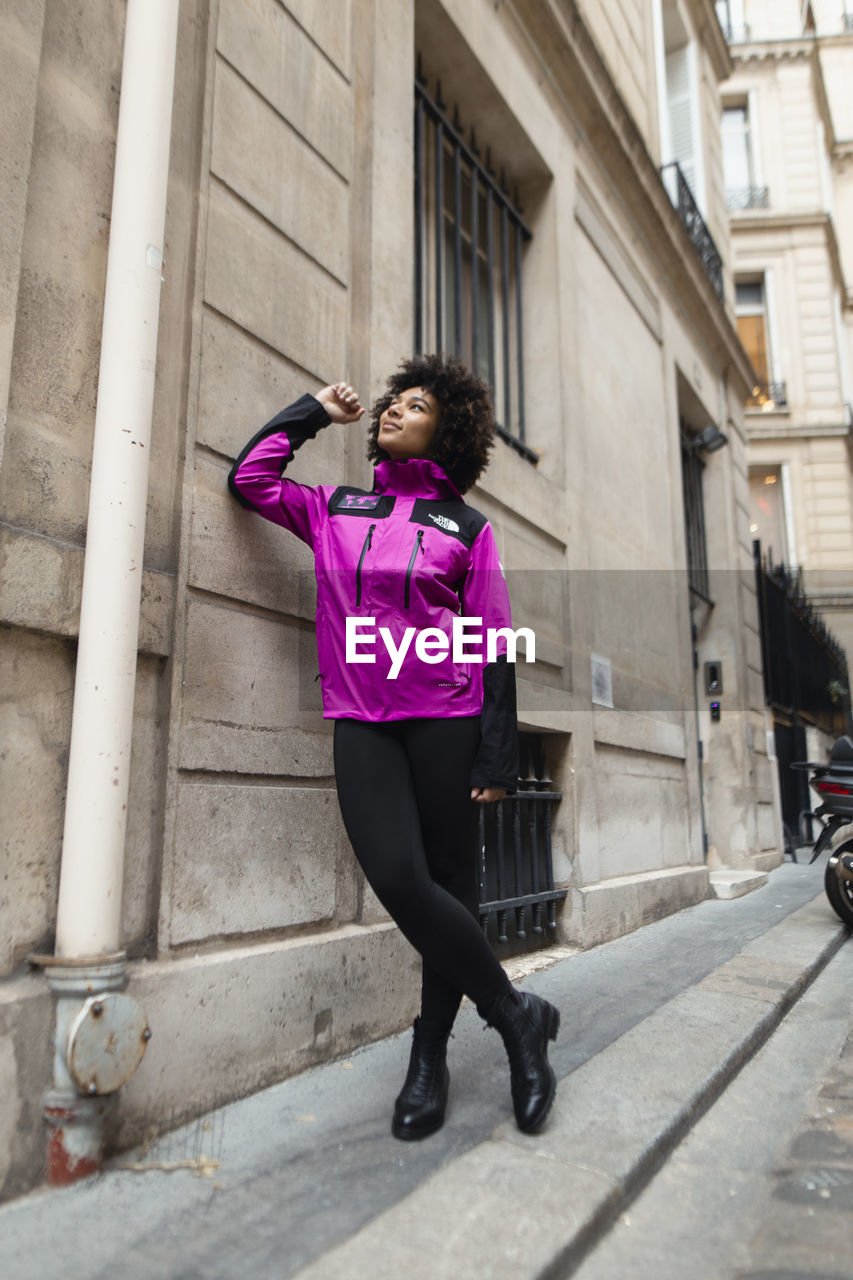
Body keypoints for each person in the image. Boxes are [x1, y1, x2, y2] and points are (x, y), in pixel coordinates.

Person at [228, 353, 560, 1139]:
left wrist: (495, 753)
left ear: (444, 433)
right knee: (405, 884)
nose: (394, 412)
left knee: (450, 882)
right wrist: (312, 411)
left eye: (415, 407)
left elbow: (490, 637)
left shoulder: (466, 530)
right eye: (393, 403)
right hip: (363, 720)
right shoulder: (334, 506)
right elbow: (250, 480)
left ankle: (429, 1057)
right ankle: (518, 1017)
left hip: (445, 716)